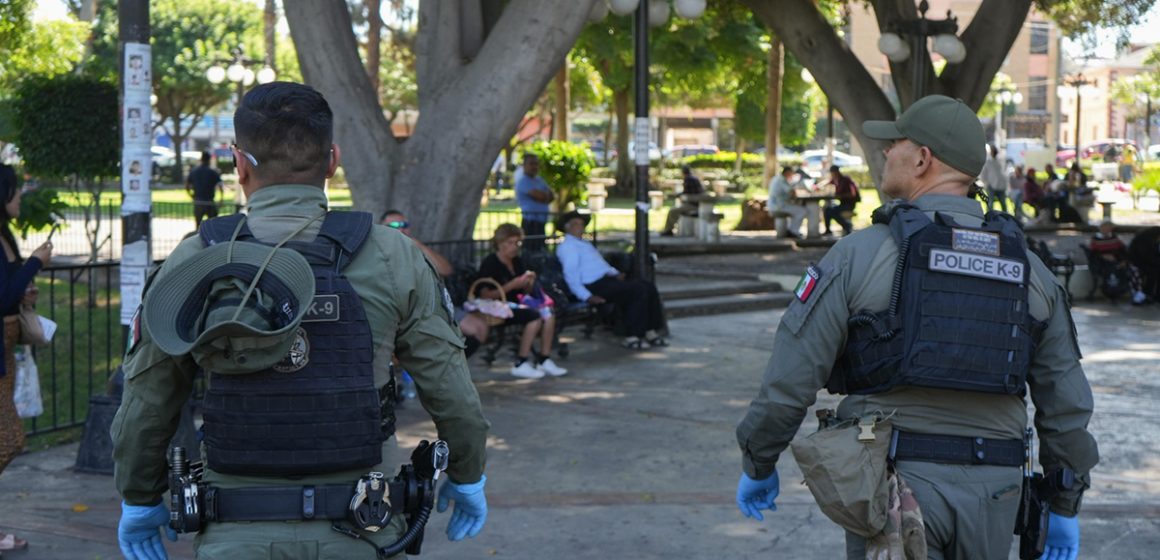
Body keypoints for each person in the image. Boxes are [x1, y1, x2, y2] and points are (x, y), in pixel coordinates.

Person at [112, 82, 489, 560]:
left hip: (235, 531)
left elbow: (147, 400)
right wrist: (468, 475)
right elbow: (451, 388)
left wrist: (139, 498)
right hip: (364, 526)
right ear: (332, 161)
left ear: (239, 163)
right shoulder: (392, 255)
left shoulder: (197, 259)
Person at [735, 95, 1098, 560]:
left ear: (923, 159)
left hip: (893, 488)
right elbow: (1065, 403)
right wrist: (1065, 504)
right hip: (996, 493)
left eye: (896, 143)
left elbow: (791, 378)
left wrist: (759, 460)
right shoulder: (1032, 272)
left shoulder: (858, 256)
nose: (887, 151)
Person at [0, 163, 52, 554]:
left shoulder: (5, 235)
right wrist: (35, 261)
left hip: (6, 349)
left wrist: (25, 290)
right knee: (10, 438)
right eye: (15, 189)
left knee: (9, 438)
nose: (20, 196)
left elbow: (8, 291)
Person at [380, 209, 489, 358]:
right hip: (405, 314)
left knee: (480, 328)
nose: (400, 229)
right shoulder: (379, 253)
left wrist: (419, 246)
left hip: (434, 307)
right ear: (382, 228)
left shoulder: (415, 249)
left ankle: (451, 368)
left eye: (404, 225)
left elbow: (446, 270)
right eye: (394, 225)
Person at [555, 210, 667, 349]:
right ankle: (632, 336)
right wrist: (586, 296)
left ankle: (651, 330)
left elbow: (600, 265)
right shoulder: (568, 247)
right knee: (637, 290)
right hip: (592, 285)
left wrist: (615, 273)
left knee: (647, 286)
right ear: (567, 227)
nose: (580, 227)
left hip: (605, 280)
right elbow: (571, 274)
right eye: (576, 224)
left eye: (581, 224)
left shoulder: (584, 243)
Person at [476, 223, 567, 378]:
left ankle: (544, 358)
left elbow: (525, 292)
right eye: (510, 243)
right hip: (498, 307)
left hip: (518, 304)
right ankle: (521, 362)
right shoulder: (490, 262)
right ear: (499, 243)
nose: (514, 247)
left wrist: (528, 282)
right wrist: (511, 285)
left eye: (517, 243)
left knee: (548, 313)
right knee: (534, 316)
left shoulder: (517, 261)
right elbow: (485, 295)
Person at [1089, 220, 1148, 304]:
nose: (1107, 229)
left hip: (1117, 261)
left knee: (1134, 270)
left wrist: (1124, 260)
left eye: (1109, 228)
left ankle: (1138, 293)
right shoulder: (1095, 239)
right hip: (1103, 263)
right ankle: (1112, 293)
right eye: (1105, 227)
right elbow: (1092, 253)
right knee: (1113, 272)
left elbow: (1123, 250)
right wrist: (1103, 256)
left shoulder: (1114, 238)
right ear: (1101, 228)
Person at [515, 153, 554, 251]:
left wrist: (545, 196)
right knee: (531, 250)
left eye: (536, 164)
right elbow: (540, 196)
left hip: (541, 221)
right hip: (530, 223)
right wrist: (545, 196)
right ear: (524, 165)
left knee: (541, 248)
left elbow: (552, 196)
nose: (534, 166)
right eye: (531, 164)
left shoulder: (539, 180)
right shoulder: (523, 181)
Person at [660, 165, 704, 236]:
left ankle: (668, 230)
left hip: (693, 205)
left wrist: (673, 195)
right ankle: (669, 229)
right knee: (675, 210)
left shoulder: (688, 179)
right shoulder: (694, 178)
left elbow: (686, 193)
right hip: (696, 203)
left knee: (672, 211)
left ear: (683, 172)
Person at [767, 165, 808, 239]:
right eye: (791, 173)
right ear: (788, 172)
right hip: (778, 206)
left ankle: (791, 230)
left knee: (796, 210)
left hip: (774, 205)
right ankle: (793, 232)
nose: (792, 175)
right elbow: (791, 192)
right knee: (802, 211)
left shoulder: (776, 178)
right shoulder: (781, 180)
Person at [185, 151, 224, 227]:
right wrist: (221, 198)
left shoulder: (194, 171)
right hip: (209, 201)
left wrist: (192, 196)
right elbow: (220, 185)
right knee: (213, 225)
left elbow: (187, 186)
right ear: (209, 160)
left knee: (198, 225)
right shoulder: (212, 172)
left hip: (198, 201)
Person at [821, 165, 859, 236]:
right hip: (842, 204)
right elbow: (828, 182)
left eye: (833, 173)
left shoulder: (846, 180)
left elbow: (852, 194)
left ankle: (847, 226)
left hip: (849, 205)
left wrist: (840, 196)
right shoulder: (836, 180)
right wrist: (819, 186)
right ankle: (828, 230)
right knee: (827, 209)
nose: (832, 175)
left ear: (837, 172)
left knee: (832, 211)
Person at [981, 144, 1008, 213]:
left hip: (1000, 186)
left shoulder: (999, 161)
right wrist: (987, 184)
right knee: (990, 203)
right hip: (991, 186)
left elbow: (1002, 173)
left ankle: (1005, 216)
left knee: (1003, 204)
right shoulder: (987, 162)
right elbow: (983, 175)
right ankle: (989, 217)